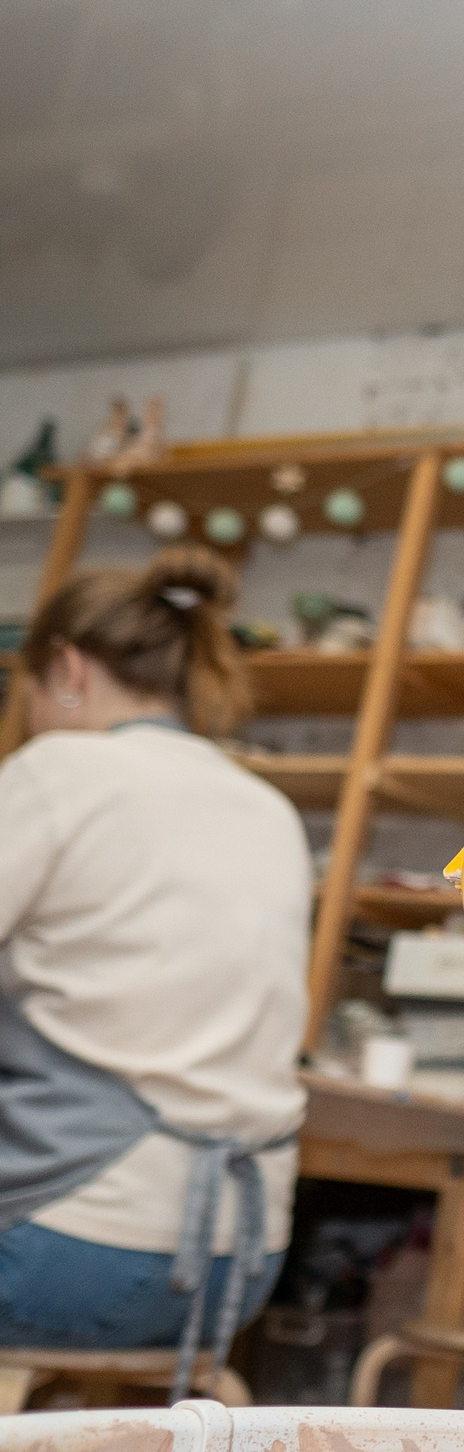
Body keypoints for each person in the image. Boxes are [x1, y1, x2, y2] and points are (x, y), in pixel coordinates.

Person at [0, 545, 311, 1399]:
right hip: (236, 1268)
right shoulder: (267, 806)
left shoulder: (61, 771)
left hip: (70, 1254)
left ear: (65, 668)